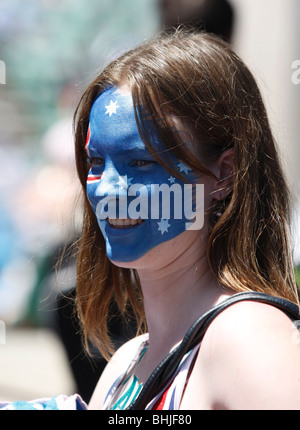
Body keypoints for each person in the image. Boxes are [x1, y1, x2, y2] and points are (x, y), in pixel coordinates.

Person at [1, 29, 299, 411]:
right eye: (95, 163)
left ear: (224, 175)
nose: (107, 189)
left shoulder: (247, 335)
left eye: (141, 163)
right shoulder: (127, 362)